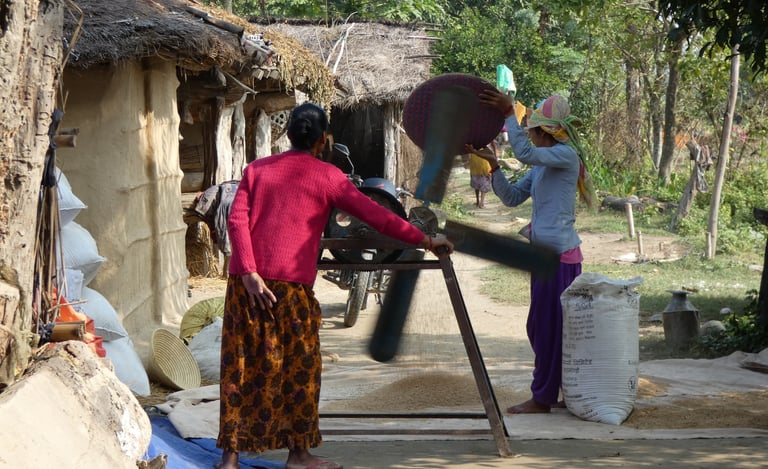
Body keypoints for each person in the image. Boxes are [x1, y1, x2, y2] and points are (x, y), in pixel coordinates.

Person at [216, 102, 453, 469]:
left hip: (245, 288)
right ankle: (298, 454)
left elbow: (236, 220)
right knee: (300, 370)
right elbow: (377, 216)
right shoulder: (328, 177)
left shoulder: (257, 170)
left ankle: (230, 459)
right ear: (323, 140)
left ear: (288, 135)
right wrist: (425, 239)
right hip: (291, 290)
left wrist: (248, 272)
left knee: (240, 368)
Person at [468, 88, 596, 415]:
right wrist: (494, 167)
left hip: (558, 258)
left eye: (532, 131)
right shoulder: (543, 163)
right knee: (543, 328)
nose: (529, 137)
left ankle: (543, 398)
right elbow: (512, 198)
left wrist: (509, 112)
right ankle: (563, 391)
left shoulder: (565, 155)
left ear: (544, 132)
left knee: (548, 329)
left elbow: (523, 153)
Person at [467, 141, 494, 208]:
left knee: (476, 183)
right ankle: (481, 203)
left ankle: (478, 201)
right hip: (483, 160)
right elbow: (492, 145)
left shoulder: (473, 139)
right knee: (484, 183)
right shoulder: (486, 138)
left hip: (475, 160)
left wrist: (469, 159)